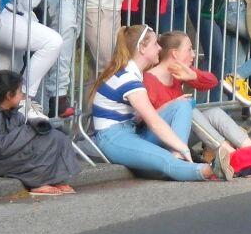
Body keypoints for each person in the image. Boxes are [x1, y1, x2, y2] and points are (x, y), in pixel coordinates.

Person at [91, 25, 234, 181]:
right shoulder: (129, 79)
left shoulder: (134, 73)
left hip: (130, 131)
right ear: (142, 48)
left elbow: (145, 118)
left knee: (183, 104)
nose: (160, 47)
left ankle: (179, 159)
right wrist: (183, 147)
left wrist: (179, 147)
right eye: (155, 44)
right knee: (165, 160)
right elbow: (154, 122)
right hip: (113, 138)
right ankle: (210, 169)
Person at [143, 32, 251, 166]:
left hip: (178, 136)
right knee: (188, 109)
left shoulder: (178, 72)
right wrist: (175, 105)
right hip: (160, 141)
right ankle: (238, 158)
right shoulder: (148, 80)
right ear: (175, 53)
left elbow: (213, 82)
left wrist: (193, 76)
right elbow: (147, 121)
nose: (193, 54)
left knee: (214, 113)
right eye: (189, 49)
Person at [0, 70, 81, 196]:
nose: (23, 96)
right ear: (9, 95)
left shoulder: (12, 112)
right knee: (43, 143)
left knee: (55, 136)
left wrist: (40, 128)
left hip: (9, 157)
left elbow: (23, 132)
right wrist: (29, 131)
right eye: (20, 92)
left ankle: (55, 179)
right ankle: (38, 182)